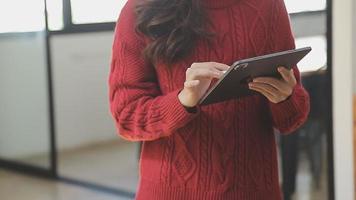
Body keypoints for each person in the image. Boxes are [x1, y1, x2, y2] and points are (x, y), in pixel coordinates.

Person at [108, 0, 310, 199]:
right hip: (169, 192)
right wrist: (183, 100)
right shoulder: (140, 8)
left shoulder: (269, 6)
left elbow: (292, 118)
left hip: (254, 190)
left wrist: (285, 98)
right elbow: (126, 116)